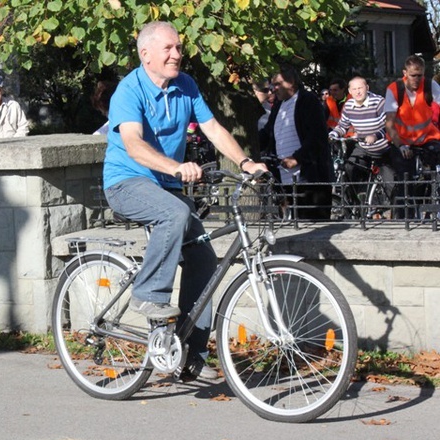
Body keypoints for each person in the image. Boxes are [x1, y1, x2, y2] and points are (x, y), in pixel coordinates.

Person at [102, 21, 267, 381]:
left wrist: (245, 162)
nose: (177, 54)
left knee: (204, 258)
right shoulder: (128, 91)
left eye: (179, 48)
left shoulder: (185, 85)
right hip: (127, 181)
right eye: (168, 49)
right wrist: (176, 167)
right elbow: (133, 144)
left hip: (166, 185)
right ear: (145, 54)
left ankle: (191, 350)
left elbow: (213, 128)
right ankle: (147, 294)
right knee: (175, 213)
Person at [260, 65, 333, 220]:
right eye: (273, 85)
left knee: (312, 223)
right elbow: (268, 133)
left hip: (309, 177)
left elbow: (317, 137)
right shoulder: (278, 105)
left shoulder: (308, 100)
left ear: (291, 82)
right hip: (285, 177)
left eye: (278, 84)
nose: (274, 89)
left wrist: (297, 158)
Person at [328, 76, 400, 196]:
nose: (358, 92)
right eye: (354, 89)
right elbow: (342, 126)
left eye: (360, 88)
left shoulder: (378, 102)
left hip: (382, 148)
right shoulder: (349, 105)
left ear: (367, 88)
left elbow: (389, 126)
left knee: (391, 184)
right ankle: (357, 201)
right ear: (350, 91)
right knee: (348, 167)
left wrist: (376, 136)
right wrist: (332, 135)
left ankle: (391, 208)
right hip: (363, 146)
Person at [385, 55, 440, 185]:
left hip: (426, 139)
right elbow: (389, 124)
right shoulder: (394, 89)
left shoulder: (430, 86)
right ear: (405, 73)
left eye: (419, 75)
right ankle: (403, 202)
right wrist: (401, 145)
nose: (416, 79)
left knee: (433, 171)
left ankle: (432, 196)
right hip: (401, 141)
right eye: (412, 75)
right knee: (404, 180)